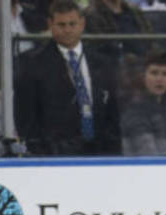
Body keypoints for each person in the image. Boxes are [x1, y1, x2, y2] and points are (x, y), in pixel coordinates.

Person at [14, 0, 120, 156]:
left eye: (72, 24)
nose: (68, 30)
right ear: (50, 24)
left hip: (100, 151)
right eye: (61, 25)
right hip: (53, 155)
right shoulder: (31, 64)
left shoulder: (102, 62)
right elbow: (25, 118)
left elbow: (112, 112)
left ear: (82, 24)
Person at [121, 49, 166, 155]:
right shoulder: (135, 112)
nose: (159, 79)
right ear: (143, 77)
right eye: (154, 73)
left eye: (165, 74)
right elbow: (148, 156)